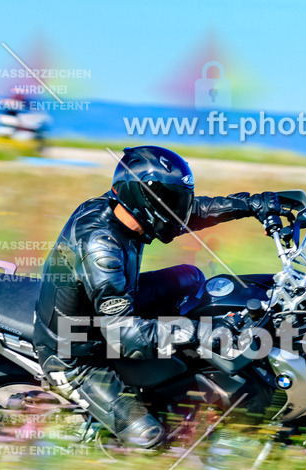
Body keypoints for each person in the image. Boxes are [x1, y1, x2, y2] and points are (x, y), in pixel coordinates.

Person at [32, 146, 285, 448]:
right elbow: (124, 336)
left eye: (176, 200)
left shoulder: (123, 212)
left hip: (109, 309)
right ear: (145, 199)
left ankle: (178, 377)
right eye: (170, 200)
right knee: (150, 441)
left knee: (191, 277)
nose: (178, 210)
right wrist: (201, 333)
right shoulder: (100, 248)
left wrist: (251, 204)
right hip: (79, 353)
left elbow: (193, 211)